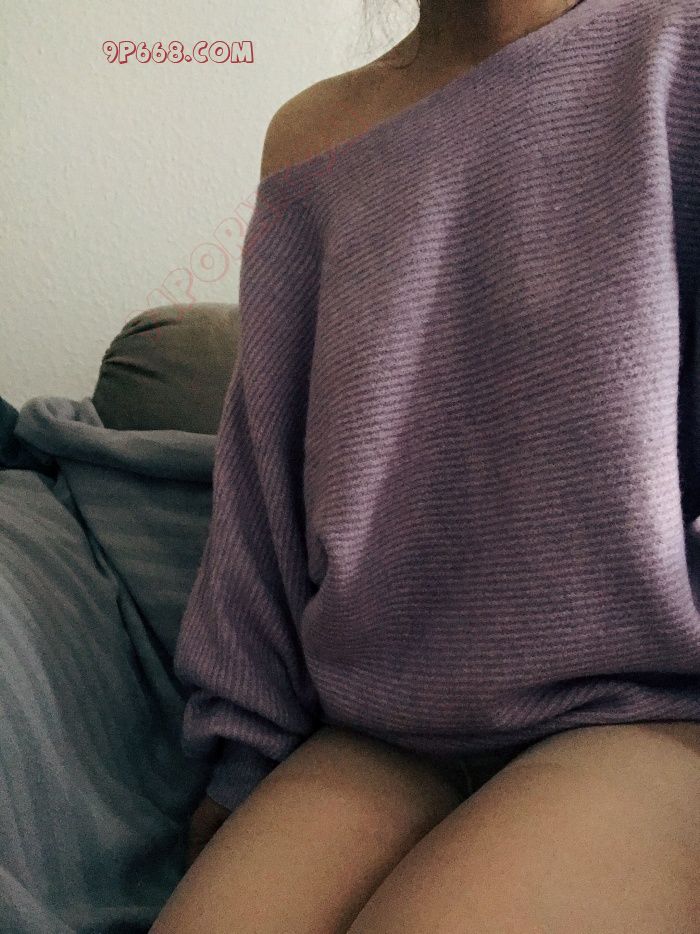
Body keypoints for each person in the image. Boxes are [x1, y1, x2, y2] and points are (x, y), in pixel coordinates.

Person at [151, 0, 700, 930]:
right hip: (379, 727)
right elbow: (262, 490)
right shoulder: (309, 138)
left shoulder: (678, 55)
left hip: (641, 707)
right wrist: (241, 751)